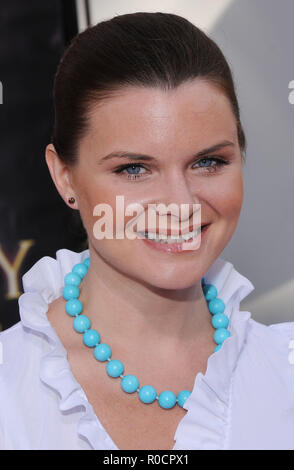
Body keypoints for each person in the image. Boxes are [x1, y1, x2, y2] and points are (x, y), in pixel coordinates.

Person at [0, 11, 293, 451]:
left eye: (207, 162)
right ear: (64, 177)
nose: (180, 204)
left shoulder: (285, 369)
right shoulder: (10, 387)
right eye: (134, 168)